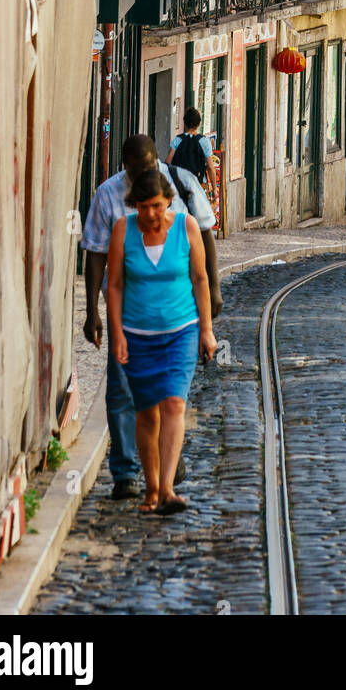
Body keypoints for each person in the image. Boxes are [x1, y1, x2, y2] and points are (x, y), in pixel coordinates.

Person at [81, 133, 221, 500]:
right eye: (135, 170)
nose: (142, 174)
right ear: (124, 167)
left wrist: (211, 305)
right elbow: (95, 255)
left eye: (148, 167)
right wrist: (93, 312)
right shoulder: (108, 197)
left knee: (171, 398)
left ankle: (165, 472)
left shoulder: (180, 182)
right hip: (131, 317)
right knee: (124, 394)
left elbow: (204, 236)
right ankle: (127, 472)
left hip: (178, 319)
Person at [107, 169, 217, 514]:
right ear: (134, 205)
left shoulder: (185, 228)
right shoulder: (124, 230)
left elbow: (200, 279)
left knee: (173, 404)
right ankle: (151, 488)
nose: (151, 213)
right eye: (143, 206)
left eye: (156, 205)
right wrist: (118, 335)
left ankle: (167, 488)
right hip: (138, 335)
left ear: (168, 201)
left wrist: (206, 329)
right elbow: (114, 286)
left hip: (180, 331)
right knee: (146, 415)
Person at [166, 107, 217, 203]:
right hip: (199, 185)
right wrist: (214, 189)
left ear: (184, 123)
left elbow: (168, 162)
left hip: (180, 185)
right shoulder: (204, 141)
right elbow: (210, 167)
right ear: (199, 124)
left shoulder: (178, 140)